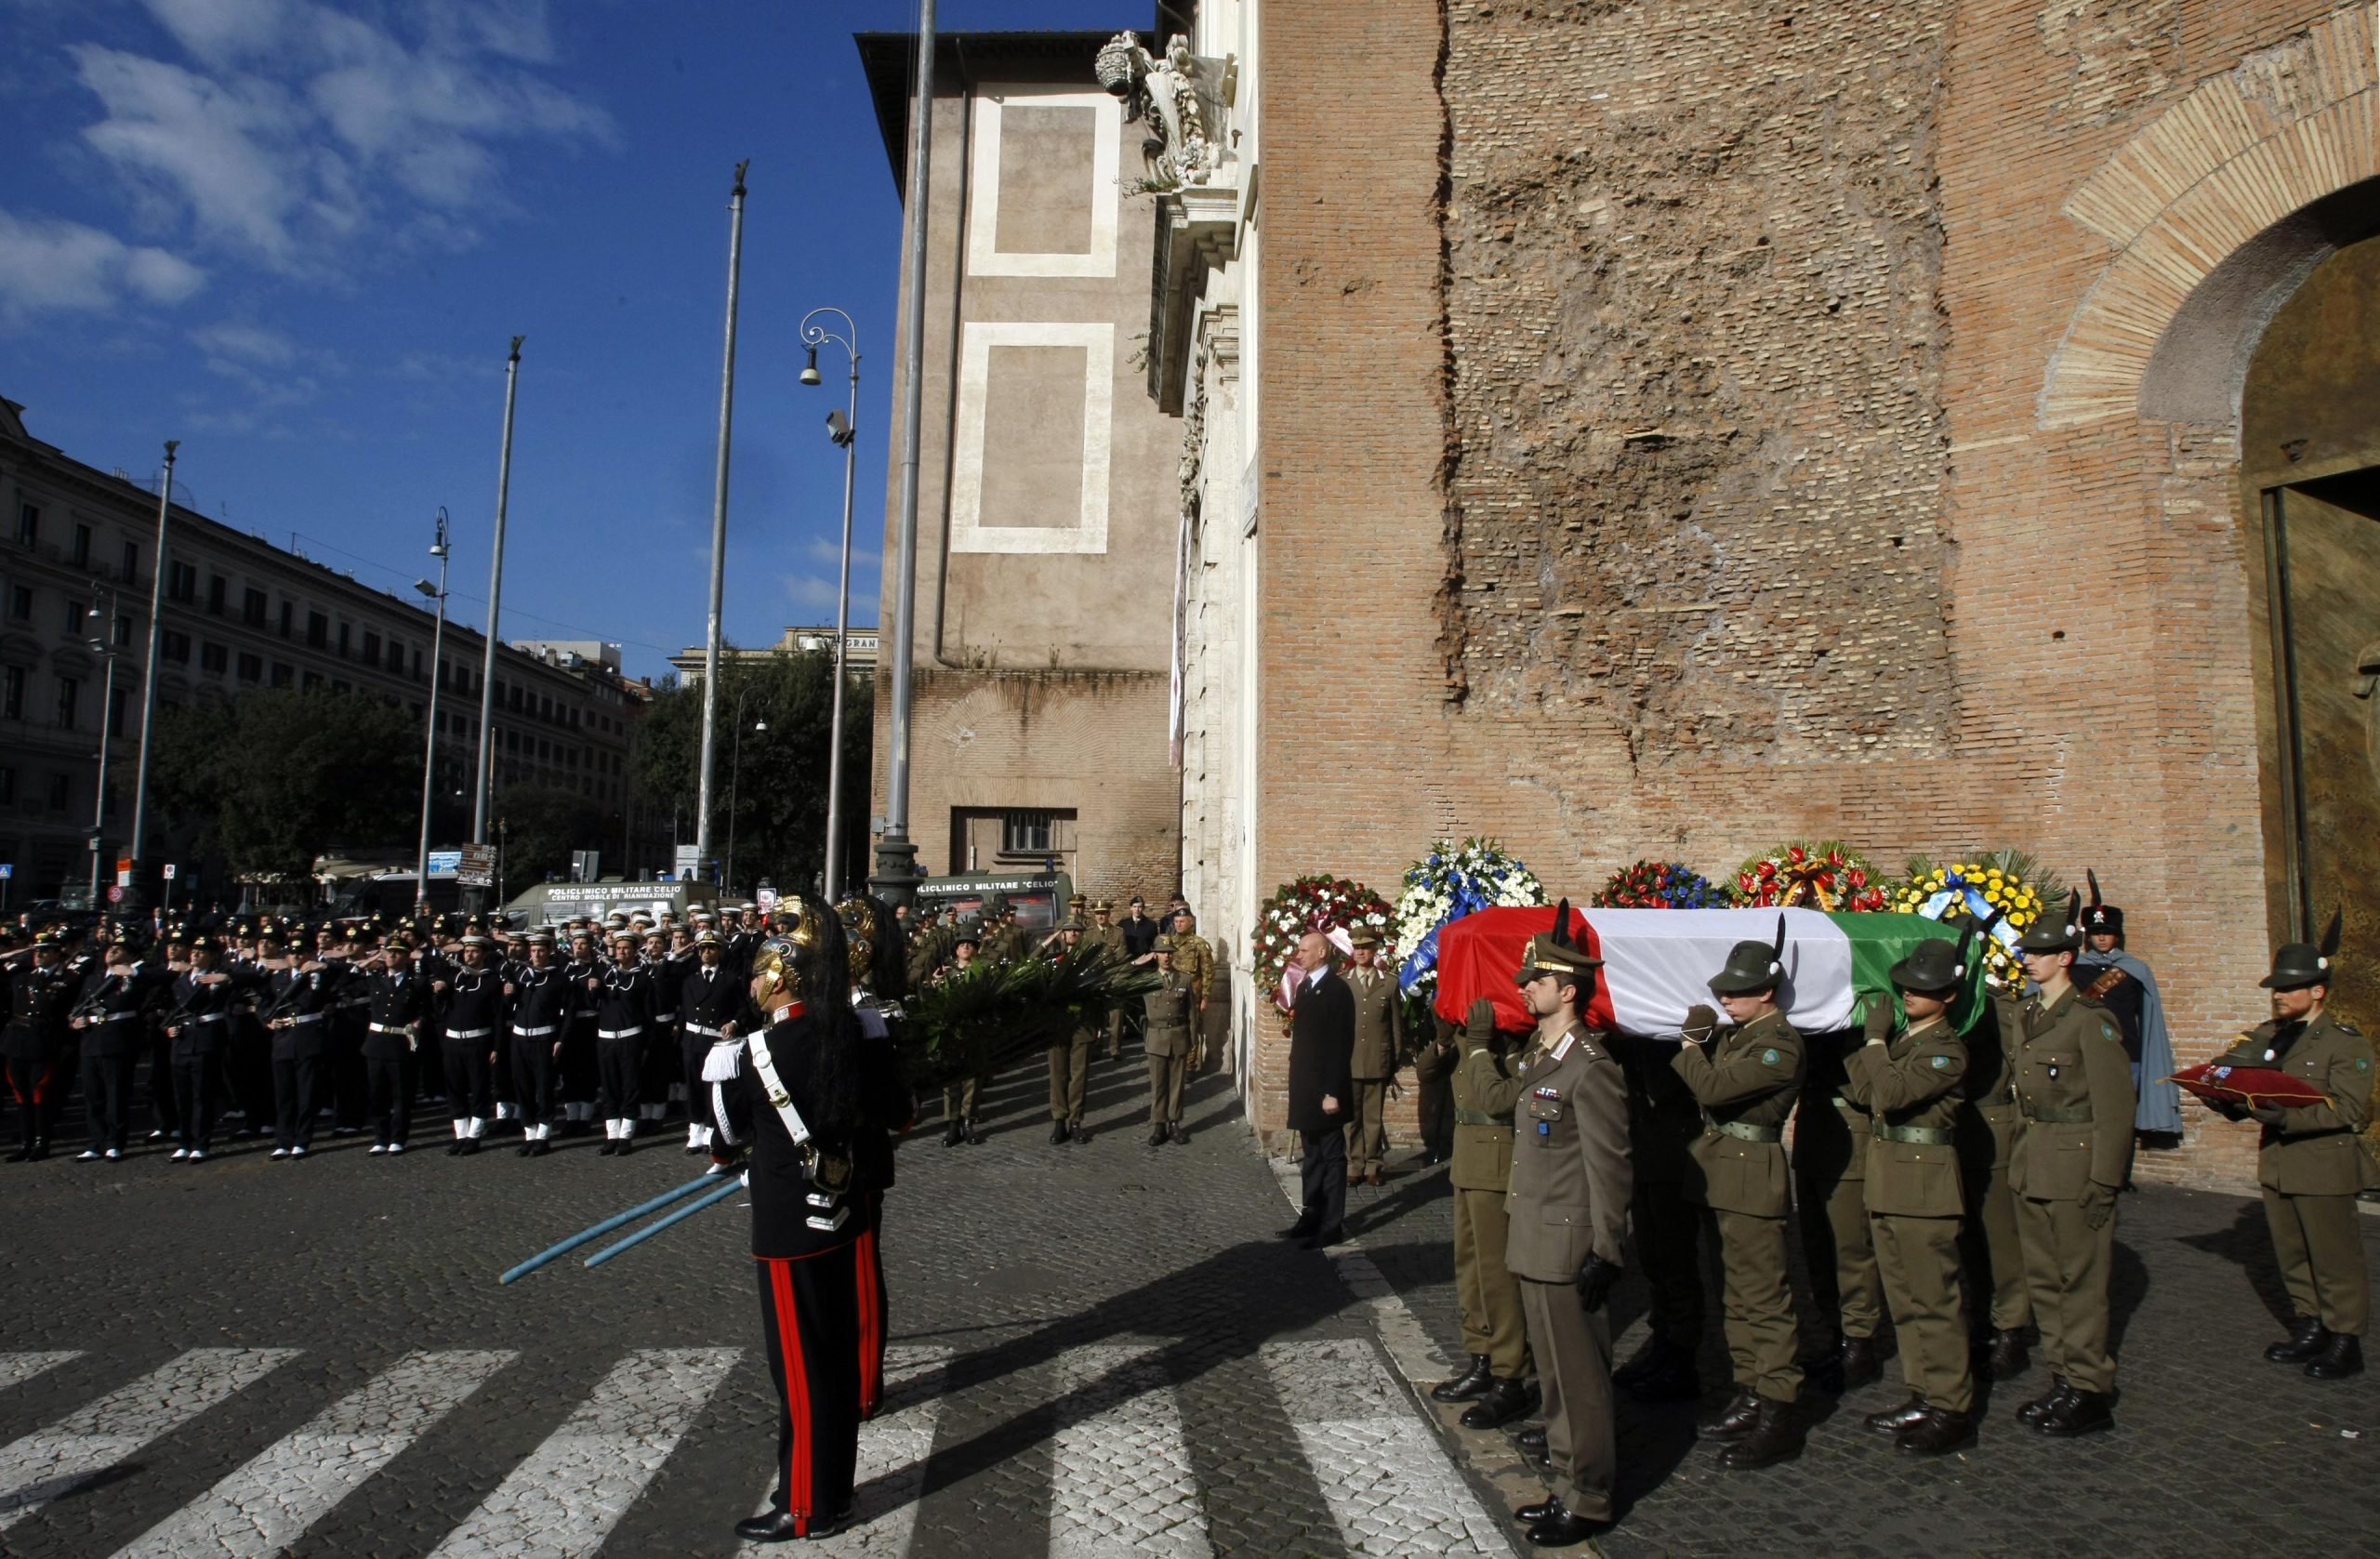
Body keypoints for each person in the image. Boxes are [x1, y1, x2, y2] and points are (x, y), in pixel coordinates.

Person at [725, 916, 867, 1544]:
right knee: (834, 1359)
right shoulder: (846, 1033)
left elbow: (728, 1135)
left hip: (787, 1227)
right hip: (840, 1214)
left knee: (800, 1372)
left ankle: (806, 1505)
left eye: (759, 971)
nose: (752, 982)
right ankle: (836, 1489)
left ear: (781, 977)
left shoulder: (757, 1052)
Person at [1494, 909, 1628, 1549]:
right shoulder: (1541, 1054)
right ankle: (1568, 1477)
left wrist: (1608, 1247)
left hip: (1570, 1241)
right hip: (1533, 1235)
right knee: (1553, 1378)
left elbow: (1610, 1164)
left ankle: (1593, 1496)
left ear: (1568, 988)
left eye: (1536, 980)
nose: (1524, 987)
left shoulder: (1590, 1066)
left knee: (1581, 1380)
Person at [2197, 918, 2375, 1380]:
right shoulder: (2270, 1035)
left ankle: (2345, 1340)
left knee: (2334, 1258)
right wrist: (2227, 1102)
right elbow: (2245, 1083)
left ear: (2317, 991)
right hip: (2278, 1162)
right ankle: (2311, 1325)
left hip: (2324, 1164)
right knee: (2292, 1254)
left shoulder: (2344, 1042)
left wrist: (2287, 1117)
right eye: (2275, 987)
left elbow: (2348, 1108)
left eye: (2289, 988)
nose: (2278, 994)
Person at [1673, 918, 1807, 1470]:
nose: (1725, 997)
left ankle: (1779, 1410)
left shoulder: (1780, 1046)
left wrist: (1689, 1046)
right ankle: (1749, 1390)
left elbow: (1713, 1088)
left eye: (1737, 990)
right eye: (1722, 989)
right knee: (1734, 1294)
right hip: (1723, 1172)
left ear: (1767, 992)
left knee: (1765, 1300)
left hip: (1753, 1177)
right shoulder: (1740, 1036)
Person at [2005, 892, 2135, 1436]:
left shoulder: (2091, 1021)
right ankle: (2062, 1377)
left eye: (2040, 952)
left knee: (2080, 1282)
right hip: (2033, 1164)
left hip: (2077, 1167)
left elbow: (2115, 1110)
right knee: (2044, 1279)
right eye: (2026, 953)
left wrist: (2105, 1180)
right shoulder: (2028, 1015)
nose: (2028, 960)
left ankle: (2089, 1388)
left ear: (2065, 957)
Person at [1843, 934, 1977, 1455]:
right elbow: (1861, 1089)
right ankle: (1922, 1391)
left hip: (1925, 1189)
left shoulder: (1947, 1051)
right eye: (1906, 986)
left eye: (1923, 989)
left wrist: (1874, 1045)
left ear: (1947, 997)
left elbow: (1892, 1094)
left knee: (1935, 1300)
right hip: (1889, 1182)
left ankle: (1952, 1406)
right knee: (1904, 1299)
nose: (1908, 995)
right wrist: (1875, 1051)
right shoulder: (1905, 1044)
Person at [1431, 996, 1534, 1426]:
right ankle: (1480, 1357)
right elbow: (1427, 1073)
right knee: (1470, 1269)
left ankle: (1510, 1373)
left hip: (1498, 1164)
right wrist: (1442, 1033)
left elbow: (1498, 1100)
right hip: (1467, 1161)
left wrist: (1481, 1045)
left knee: (1498, 1276)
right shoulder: (1467, 1039)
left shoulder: (1521, 1045)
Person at [1607, 1020, 1708, 1402]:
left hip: (1672, 1156)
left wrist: (1640, 1038)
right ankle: (1661, 1347)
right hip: (1645, 1154)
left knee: (1675, 1261)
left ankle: (1681, 1359)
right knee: (1653, 1260)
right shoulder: (1635, 1038)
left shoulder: (1667, 1034)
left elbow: (1663, 1087)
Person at [1794, 1019, 1884, 1394]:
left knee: (1850, 1249)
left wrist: (1838, 1050)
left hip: (1848, 1141)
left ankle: (1859, 1341)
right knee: (1817, 1250)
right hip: (1813, 1136)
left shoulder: (1855, 1028)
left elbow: (1866, 1091)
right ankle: (1833, 1333)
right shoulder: (1806, 1024)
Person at [2075, 873, 2183, 1138]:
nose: (2101, 939)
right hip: (2083, 1051)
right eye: (2096, 933)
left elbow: (2147, 1016)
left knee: (2121, 1116)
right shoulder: (2074, 969)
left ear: (2117, 936)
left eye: (2107, 933)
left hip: (2126, 1052)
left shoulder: (2135, 970)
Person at [1281, 931, 1355, 1249]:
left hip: (1326, 1090)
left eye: (1303, 950)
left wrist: (1331, 1091)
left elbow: (1340, 1045)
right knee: (1311, 1156)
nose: (1298, 955)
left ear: (1322, 952)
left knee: (1332, 1158)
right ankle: (1310, 1215)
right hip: (1306, 1089)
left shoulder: (1337, 990)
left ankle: (1331, 1223)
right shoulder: (1307, 985)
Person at [71, 938, 152, 1161]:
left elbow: (163, 976)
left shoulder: (134, 978)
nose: (112, 951)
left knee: (116, 1095)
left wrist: (133, 972)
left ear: (131, 956)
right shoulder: (93, 979)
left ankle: (115, 1142)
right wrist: (76, 1022)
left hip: (117, 1041)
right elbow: (77, 1008)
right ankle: (96, 1141)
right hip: (90, 1041)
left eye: (120, 949)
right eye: (110, 948)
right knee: (93, 1096)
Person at [165, 934, 244, 1162]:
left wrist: (226, 978)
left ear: (211, 956)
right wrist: (170, 1029)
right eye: (194, 951)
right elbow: (172, 1009)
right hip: (181, 1040)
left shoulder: (217, 980)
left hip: (206, 1039)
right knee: (182, 1095)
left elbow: (251, 978)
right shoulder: (180, 981)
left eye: (202, 951)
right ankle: (184, 1142)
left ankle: (201, 1142)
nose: (196, 954)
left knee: (202, 1094)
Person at [261, 932, 339, 1159]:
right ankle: (283, 1140)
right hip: (283, 1037)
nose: (296, 956)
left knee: (306, 1094)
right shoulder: (278, 977)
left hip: (307, 1037)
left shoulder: (318, 976)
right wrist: (267, 1021)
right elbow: (264, 1003)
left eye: (301, 952)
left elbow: (341, 976)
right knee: (284, 1094)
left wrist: (322, 966)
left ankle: (302, 1140)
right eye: (292, 952)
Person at [3, 931, 75, 1161]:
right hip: (16, 1041)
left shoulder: (69, 980)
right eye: (36, 951)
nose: (39, 955)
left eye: (44, 951)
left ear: (57, 953)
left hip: (45, 1042)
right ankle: (25, 1142)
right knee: (20, 1094)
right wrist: (15, 953)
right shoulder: (22, 976)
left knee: (40, 1093)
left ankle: (41, 1142)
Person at [435, 932, 508, 1156]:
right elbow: (441, 1009)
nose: (469, 955)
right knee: (455, 1089)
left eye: (475, 951)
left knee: (479, 1089)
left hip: (479, 1040)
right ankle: (460, 1133)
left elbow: (498, 1017)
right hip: (453, 1040)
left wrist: (496, 1046)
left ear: (484, 954)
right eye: (466, 951)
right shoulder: (455, 977)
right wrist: (439, 993)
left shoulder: (492, 980)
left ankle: (475, 1134)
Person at [1342, 927, 1405, 1187]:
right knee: (1352, 1120)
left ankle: (1373, 1166)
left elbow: (1395, 1027)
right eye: (1356, 948)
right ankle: (1353, 1165)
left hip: (1377, 1061)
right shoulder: (1343, 983)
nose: (1360, 953)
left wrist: (1394, 1061)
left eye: (1365, 948)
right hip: (1350, 1060)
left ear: (1374, 950)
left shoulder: (1388, 982)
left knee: (1373, 1119)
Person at [363, 936, 429, 1155]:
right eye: (389, 951)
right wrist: (371, 958)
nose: (391, 956)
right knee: (377, 1093)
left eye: (398, 952)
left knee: (402, 1094)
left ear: (408, 958)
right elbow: (346, 975)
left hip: (401, 1043)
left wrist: (420, 1020)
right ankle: (380, 1137)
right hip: (377, 1042)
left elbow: (428, 1009)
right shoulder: (375, 979)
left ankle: (398, 1137)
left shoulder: (417, 982)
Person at [680, 929, 743, 1156]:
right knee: (694, 1087)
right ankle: (694, 1132)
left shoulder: (730, 979)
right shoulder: (689, 979)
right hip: (692, 1040)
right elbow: (663, 978)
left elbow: (743, 1007)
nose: (707, 952)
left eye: (712, 948)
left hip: (714, 1041)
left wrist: (734, 1022)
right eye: (703, 948)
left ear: (719, 951)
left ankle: (709, 1131)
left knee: (711, 1089)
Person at [595, 929, 657, 1156]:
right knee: (609, 1088)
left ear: (633, 951)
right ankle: (612, 1134)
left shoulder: (642, 978)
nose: (621, 952)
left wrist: (647, 1043)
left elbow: (649, 1012)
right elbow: (595, 1004)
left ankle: (626, 1135)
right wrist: (594, 990)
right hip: (606, 1038)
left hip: (631, 1037)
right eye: (618, 948)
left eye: (626, 948)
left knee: (630, 1087)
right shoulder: (605, 975)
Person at [507, 931, 569, 1156]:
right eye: (533, 951)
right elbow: (512, 1006)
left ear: (549, 952)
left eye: (541, 950)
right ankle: (529, 1133)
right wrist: (509, 994)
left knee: (544, 1088)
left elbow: (567, 1012)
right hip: (520, 1037)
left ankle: (543, 1135)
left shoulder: (558, 977)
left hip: (544, 1037)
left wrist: (560, 1039)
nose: (536, 955)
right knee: (523, 1086)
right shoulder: (522, 974)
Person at [936, 927, 989, 1146]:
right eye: (962, 945)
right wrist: (935, 983)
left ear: (976, 950)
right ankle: (952, 1124)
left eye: (970, 945)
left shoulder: (982, 972)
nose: (966, 947)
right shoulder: (946, 974)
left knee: (972, 1080)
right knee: (951, 1080)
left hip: (973, 1029)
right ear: (956, 951)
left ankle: (968, 1121)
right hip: (952, 1031)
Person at [1142, 934, 1196, 1145]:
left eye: (1169, 953)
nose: (1166, 956)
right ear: (1155, 955)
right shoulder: (1146, 980)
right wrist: (1139, 961)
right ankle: (1158, 1125)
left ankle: (1174, 1123)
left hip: (1179, 1037)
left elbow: (1192, 1012)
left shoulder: (1184, 979)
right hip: (1156, 1038)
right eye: (1162, 952)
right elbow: (1119, 977)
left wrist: (1192, 1038)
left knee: (1176, 1084)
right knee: (1158, 1085)